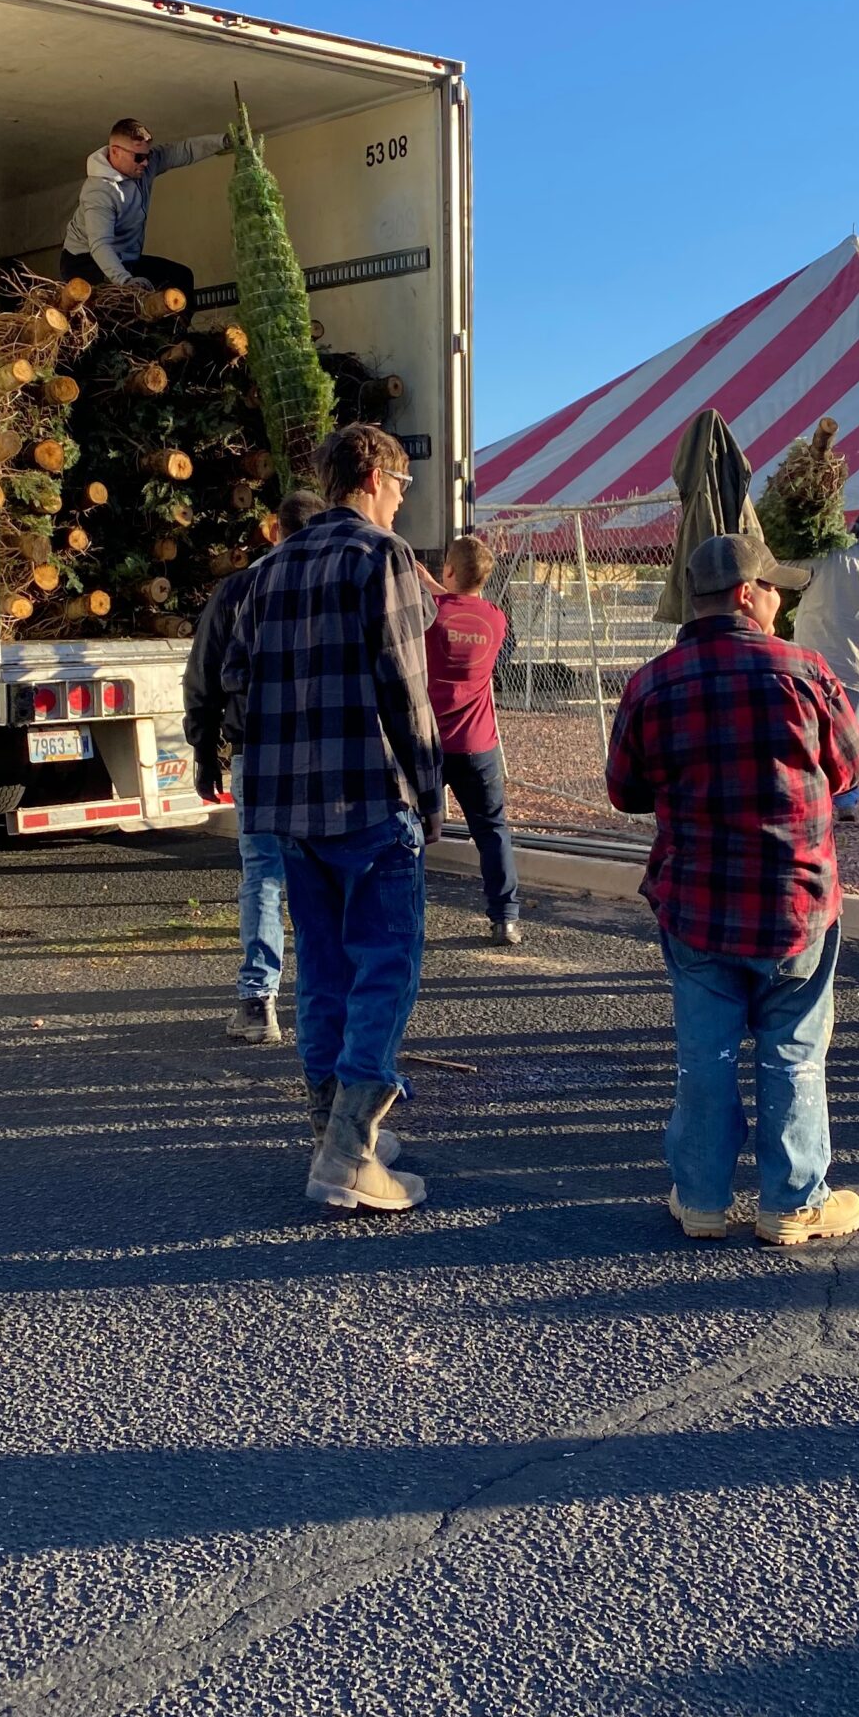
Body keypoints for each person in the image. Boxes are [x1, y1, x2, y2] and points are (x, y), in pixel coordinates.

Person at [605, 530, 859, 1247]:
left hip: (695, 901)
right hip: (796, 900)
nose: (780, 598)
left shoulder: (652, 681)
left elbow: (623, 791)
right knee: (792, 1051)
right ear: (749, 595)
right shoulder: (806, 672)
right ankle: (791, 1202)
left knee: (706, 1053)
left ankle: (700, 1198)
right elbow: (848, 771)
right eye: (774, 588)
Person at [224, 422, 442, 1215]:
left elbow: (238, 684)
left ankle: (331, 1133)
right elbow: (405, 686)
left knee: (322, 969)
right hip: (369, 798)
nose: (401, 498)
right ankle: (350, 1152)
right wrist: (431, 790)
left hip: (287, 805)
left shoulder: (267, 568)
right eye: (403, 485)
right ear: (377, 476)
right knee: (386, 965)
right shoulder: (381, 557)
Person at [181, 489, 323, 1045]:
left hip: (256, 750)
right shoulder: (334, 587)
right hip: (323, 753)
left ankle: (258, 1001)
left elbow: (204, 674)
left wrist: (203, 748)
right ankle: (320, 1002)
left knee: (262, 876)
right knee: (319, 875)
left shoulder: (239, 588)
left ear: (274, 530)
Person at [420, 534, 522, 944]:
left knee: (411, 830)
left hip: (428, 743)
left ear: (448, 569)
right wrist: (439, 585)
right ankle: (506, 917)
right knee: (492, 829)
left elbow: (443, 609)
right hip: (479, 744)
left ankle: (404, 913)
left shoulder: (429, 615)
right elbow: (463, 608)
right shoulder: (495, 619)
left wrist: (428, 584)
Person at [774, 505, 859, 817]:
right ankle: (846, 796)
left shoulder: (832, 558)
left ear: (851, 530)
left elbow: (785, 573)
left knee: (812, 727)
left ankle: (814, 794)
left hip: (820, 659)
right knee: (850, 731)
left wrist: (767, 552)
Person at [58, 118, 229, 312]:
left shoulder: (143, 167)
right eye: (139, 157)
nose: (146, 162)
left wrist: (223, 141)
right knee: (120, 305)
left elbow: (182, 151)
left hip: (125, 257)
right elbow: (100, 245)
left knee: (180, 277)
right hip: (87, 260)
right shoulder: (100, 193)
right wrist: (125, 281)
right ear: (115, 151)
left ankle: (174, 338)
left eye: (147, 156)